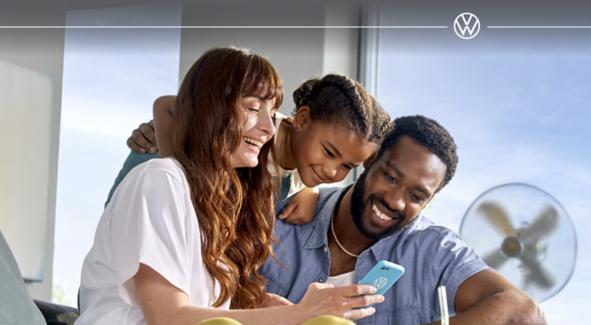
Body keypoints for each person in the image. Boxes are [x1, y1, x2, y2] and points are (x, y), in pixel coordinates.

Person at [59, 47, 384, 325]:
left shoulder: (235, 203)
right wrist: (299, 315)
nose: (267, 127)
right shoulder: (160, 179)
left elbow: (207, 308)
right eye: (253, 108)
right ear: (213, 105)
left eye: (272, 112)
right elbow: (171, 324)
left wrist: (268, 306)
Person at [258, 115, 551, 325]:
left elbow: (527, 316)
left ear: (429, 201)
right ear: (369, 160)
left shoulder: (433, 249)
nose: (395, 200)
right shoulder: (285, 214)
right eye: (390, 177)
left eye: (416, 195)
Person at [113, 73, 394, 225]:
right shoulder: (250, 126)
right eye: (330, 152)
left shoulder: (296, 179)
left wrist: (312, 190)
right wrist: (180, 173)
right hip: (134, 221)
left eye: (347, 166)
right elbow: (167, 104)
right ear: (303, 119)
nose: (333, 171)